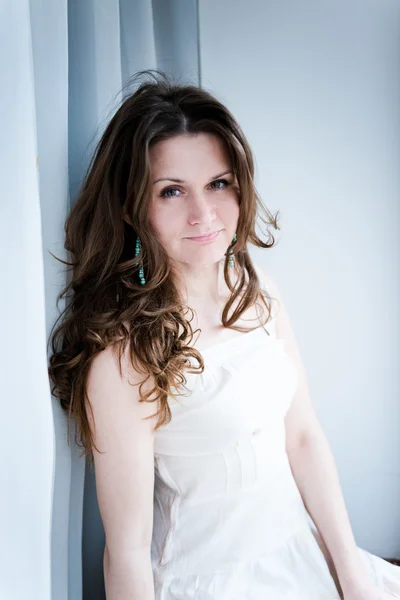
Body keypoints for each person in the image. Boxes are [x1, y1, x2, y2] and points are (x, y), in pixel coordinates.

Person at [48, 69, 400, 600]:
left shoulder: (255, 290)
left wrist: (350, 575)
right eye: (171, 191)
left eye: (218, 183)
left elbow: (302, 438)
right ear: (131, 207)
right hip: (212, 584)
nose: (204, 213)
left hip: (303, 557)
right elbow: (125, 551)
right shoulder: (125, 358)